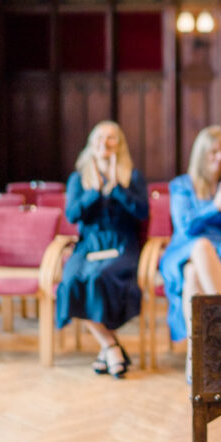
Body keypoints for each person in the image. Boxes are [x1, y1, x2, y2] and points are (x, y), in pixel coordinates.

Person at [160, 125, 221, 381]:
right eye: (213, 152)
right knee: (200, 247)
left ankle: (196, 356)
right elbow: (186, 226)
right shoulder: (181, 185)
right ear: (201, 154)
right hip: (184, 248)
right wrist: (215, 206)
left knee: (193, 274)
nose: (220, 158)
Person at [57, 120, 148, 378]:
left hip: (121, 244)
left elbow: (142, 212)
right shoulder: (79, 178)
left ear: (119, 145)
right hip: (88, 246)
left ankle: (105, 349)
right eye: (99, 138)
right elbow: (73, 215)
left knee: (99, 279)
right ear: (91, 144)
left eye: (111, 138)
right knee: (72, 280)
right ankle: (110, 345)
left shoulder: (133, 176)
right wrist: (94, 192)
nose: (104, 143)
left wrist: (116, 189)